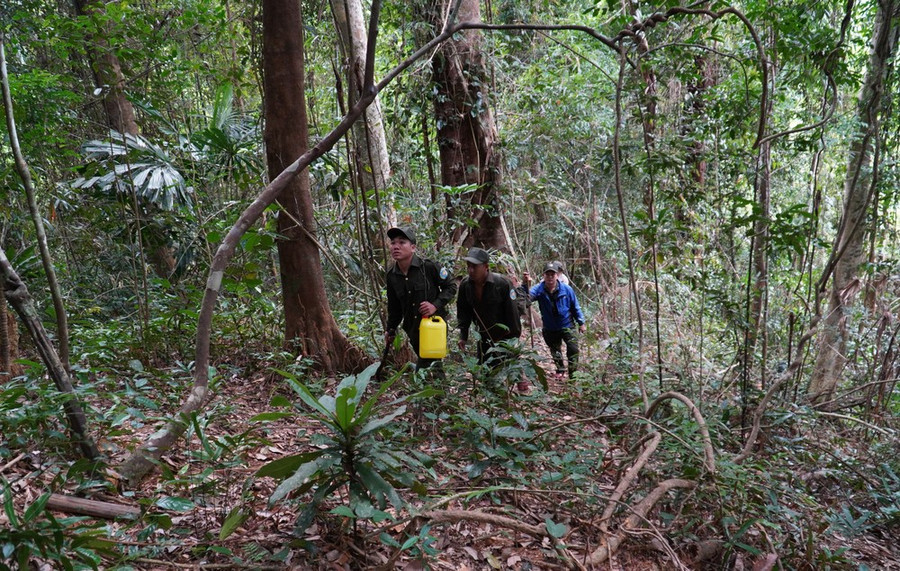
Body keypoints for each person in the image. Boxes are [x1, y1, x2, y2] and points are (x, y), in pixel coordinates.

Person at [385, 226, 457, 375]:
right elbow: (394, 307)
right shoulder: (392, 275)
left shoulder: (429, 267)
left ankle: (426, 395)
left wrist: (435, 305)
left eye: (402, 242)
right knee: (432, 365)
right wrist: (390, 329)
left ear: (413, 247)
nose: (396, 246)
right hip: (413, 327)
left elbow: (451, 287)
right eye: (393, 243)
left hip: (433, 325)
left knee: (427, 364)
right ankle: (439, 394)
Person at [456, 247, 526, 391]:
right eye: (468, 266)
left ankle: (519, 385)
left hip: (504, 336)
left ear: (486, 267)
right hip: (483, 336)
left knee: (510, 368)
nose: (470, 270)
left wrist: (513, 338)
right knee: (486, 373)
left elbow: (512, 314)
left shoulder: (502, 284)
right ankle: (492, 402)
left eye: (474, 266)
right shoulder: (465, 285)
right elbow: (463, 311)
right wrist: (463, 335)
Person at [525, 261, 586, 379]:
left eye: (552, 275)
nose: (550, 277)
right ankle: (560, 369)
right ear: (543, 276)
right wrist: (525, 285)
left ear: (557, 275)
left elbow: (575, 306)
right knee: (555, 350)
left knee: (573, 350)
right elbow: (526, 299)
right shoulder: (539, 289)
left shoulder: (566, 289)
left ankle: (573, 375)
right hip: (550, 327)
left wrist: (581, 322)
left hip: (567, 325)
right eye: (547, 275)